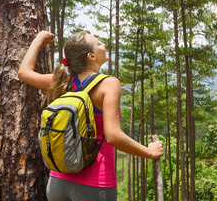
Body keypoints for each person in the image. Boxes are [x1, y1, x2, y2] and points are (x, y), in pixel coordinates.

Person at [18, 30, 164, 201]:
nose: (104, 45)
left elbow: (24, 73)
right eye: (99, 43)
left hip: (58, 182)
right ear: (91, 57)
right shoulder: (108, 84)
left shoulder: (62, 82)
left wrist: (38, 39)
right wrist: (149, 152)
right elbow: (113, 136)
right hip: (95, 184)